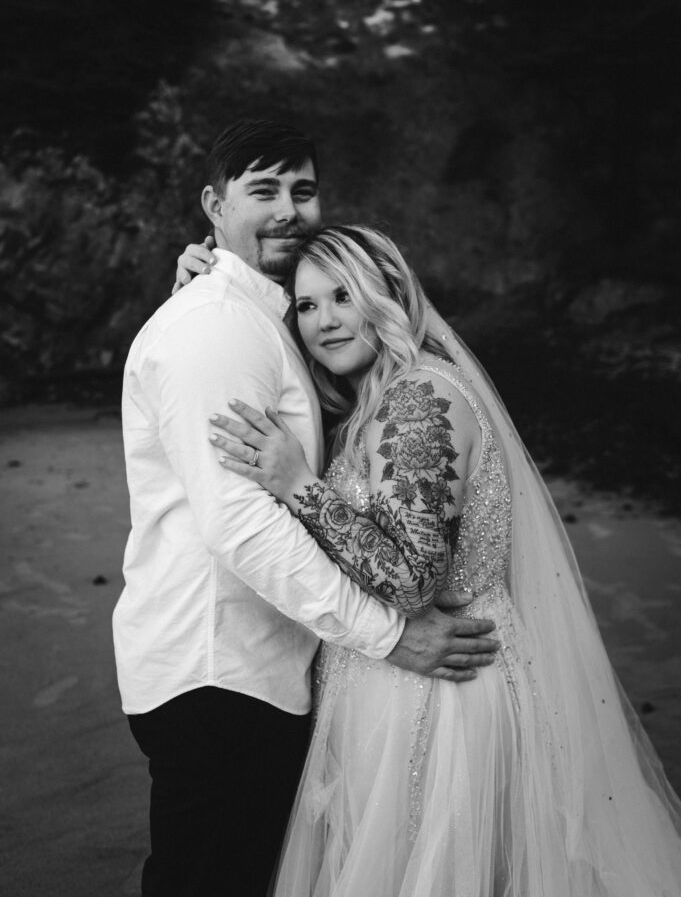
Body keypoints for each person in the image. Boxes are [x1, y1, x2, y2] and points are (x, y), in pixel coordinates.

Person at [183, 224, 681, 895]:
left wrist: (296, 484)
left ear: (385, 297)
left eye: (342, 296)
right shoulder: (377, 399)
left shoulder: (419, 399)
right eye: (305, 305)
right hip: (405, 682)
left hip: (443, 698)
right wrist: (204, 294)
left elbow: (412, 578)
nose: (325, 321)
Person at [114, 119, 500, 897]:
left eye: (303, 189)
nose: (288, 208)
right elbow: (241, 523)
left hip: (270, 665)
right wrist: (388, 633)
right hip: (221, 671)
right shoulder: (216, 326)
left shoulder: (261, 316)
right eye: (263, 190)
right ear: (213, 206)